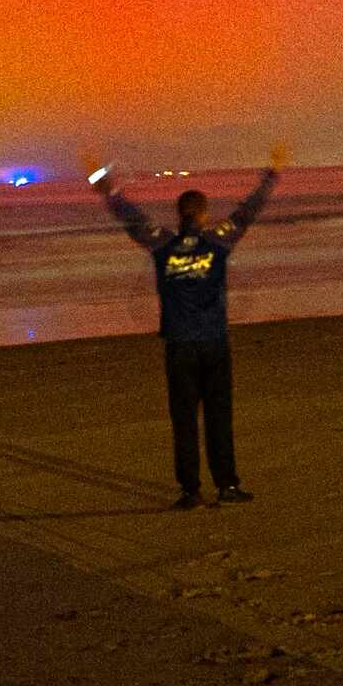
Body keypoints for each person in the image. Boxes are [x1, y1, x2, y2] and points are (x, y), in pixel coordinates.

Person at [87, 145, 285, 505]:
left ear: (180, 215)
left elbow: (128, 215)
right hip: (213, 343)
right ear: (204, 214)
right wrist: (270, 176)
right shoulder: (218, 241)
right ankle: (226, 485)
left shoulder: (163, 243)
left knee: (184, 420)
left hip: (179, 346)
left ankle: (190, 490)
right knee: (218, 416)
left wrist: (104, 184)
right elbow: (247, 212)